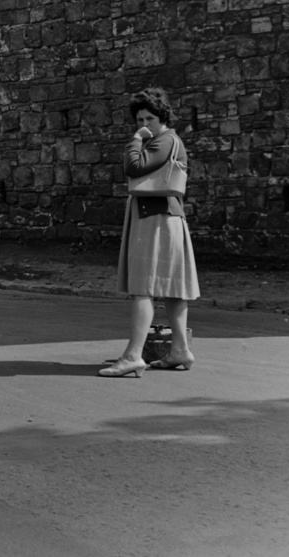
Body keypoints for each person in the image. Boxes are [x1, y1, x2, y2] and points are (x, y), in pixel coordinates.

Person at [99, 86, 200, 378]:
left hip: (155, 219)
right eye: (139, 121)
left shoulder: (164, 140)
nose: (144, 126)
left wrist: (135, 140)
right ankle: (179, 350)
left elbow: (134, 166)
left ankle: (132, 356)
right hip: (166, 218)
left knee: (142, 288)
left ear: (162, 117)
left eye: (149, 120)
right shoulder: (167, 139)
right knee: (171, 288)